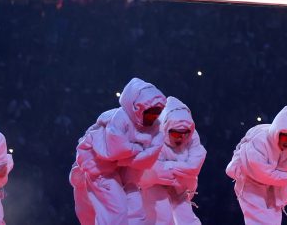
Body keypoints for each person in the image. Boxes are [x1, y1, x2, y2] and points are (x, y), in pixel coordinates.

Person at [69, 77, 166, 225]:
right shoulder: (119, 118)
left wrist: (130, 154)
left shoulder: (155, 127)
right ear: (136, 107)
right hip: (99, 167)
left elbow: (149, 157)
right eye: (149, 112)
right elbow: (115, 150)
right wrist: (138, 149)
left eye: (157, 112)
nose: (153, 117)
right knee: (116, 209)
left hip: (126, 171)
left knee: (135, 207)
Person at [226, 106, 287, 225]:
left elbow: (285, 169)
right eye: (284, 136)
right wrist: (284, 177)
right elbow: (260, 172)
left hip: (272, 187)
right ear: (277, 133)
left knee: (273, 219)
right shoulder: (259, 142)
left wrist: (282, 176)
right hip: (249, 181)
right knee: (258, 219)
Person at [137, 96, 206, 225]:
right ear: (167, 127)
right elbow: (149, 168)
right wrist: (176, 169)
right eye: (175, 133)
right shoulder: (153, 134)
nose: (181, 137)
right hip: (155, 184)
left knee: (187, 218)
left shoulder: (192, 136)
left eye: (185, 133)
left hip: (180, 184)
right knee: (161, 215)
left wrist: (168, 166)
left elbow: (194, 166)